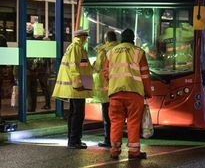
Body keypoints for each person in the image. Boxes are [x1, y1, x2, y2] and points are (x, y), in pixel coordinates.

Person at [104, 28, 152, 160]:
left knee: (116, 122)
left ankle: (114, 151)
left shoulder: (111, 52)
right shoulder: (139, 52)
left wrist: (114, 82)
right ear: (132, 40)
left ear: (121, 39)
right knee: (133, 122)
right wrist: (148, 92)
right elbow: (145, 74)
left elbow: (106, 72)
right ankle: (134, 152)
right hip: (134, 93)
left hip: (115, 93)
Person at [52, 29, 93, 149]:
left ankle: (73, 139)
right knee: (78, 114)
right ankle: (74, 141)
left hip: (80, 87)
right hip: (77, 88)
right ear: (81, 36)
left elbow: (85, 68)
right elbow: (74, 67)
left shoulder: (78, 48)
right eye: (85, 37)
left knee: (74, 113)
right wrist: (78, 85)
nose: (86, 39)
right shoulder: (76, 47)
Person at [93, 30, 118, 148]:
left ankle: (108, 140)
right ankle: (116, 140)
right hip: (119, 87)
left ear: (106, 40)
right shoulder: (120, 49)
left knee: (107, 116)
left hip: (106, 88)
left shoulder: (103, 51)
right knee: (118, 116)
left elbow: (97, 67)